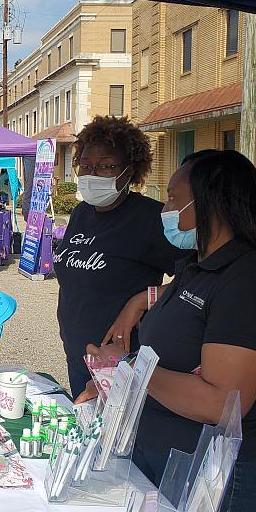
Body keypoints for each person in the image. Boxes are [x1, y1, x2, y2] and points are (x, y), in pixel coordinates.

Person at [87, 149, 256, 512]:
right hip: (173, 460)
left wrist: (128, 369)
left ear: (207, 201)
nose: (164, 210)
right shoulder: (198, 265)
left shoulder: (248, 282)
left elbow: (223, 403)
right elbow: (173, 298)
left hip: (233, 475)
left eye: (172, 198)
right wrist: (138, 302)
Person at [54, 116, 182, 398]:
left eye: (107, 166)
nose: (93, 173)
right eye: (86, 165)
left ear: (130, 170)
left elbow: (201, 280)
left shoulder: (151, 218)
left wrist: (142, 300)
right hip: (79, 355)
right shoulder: (81, 213)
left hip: (124, 362)